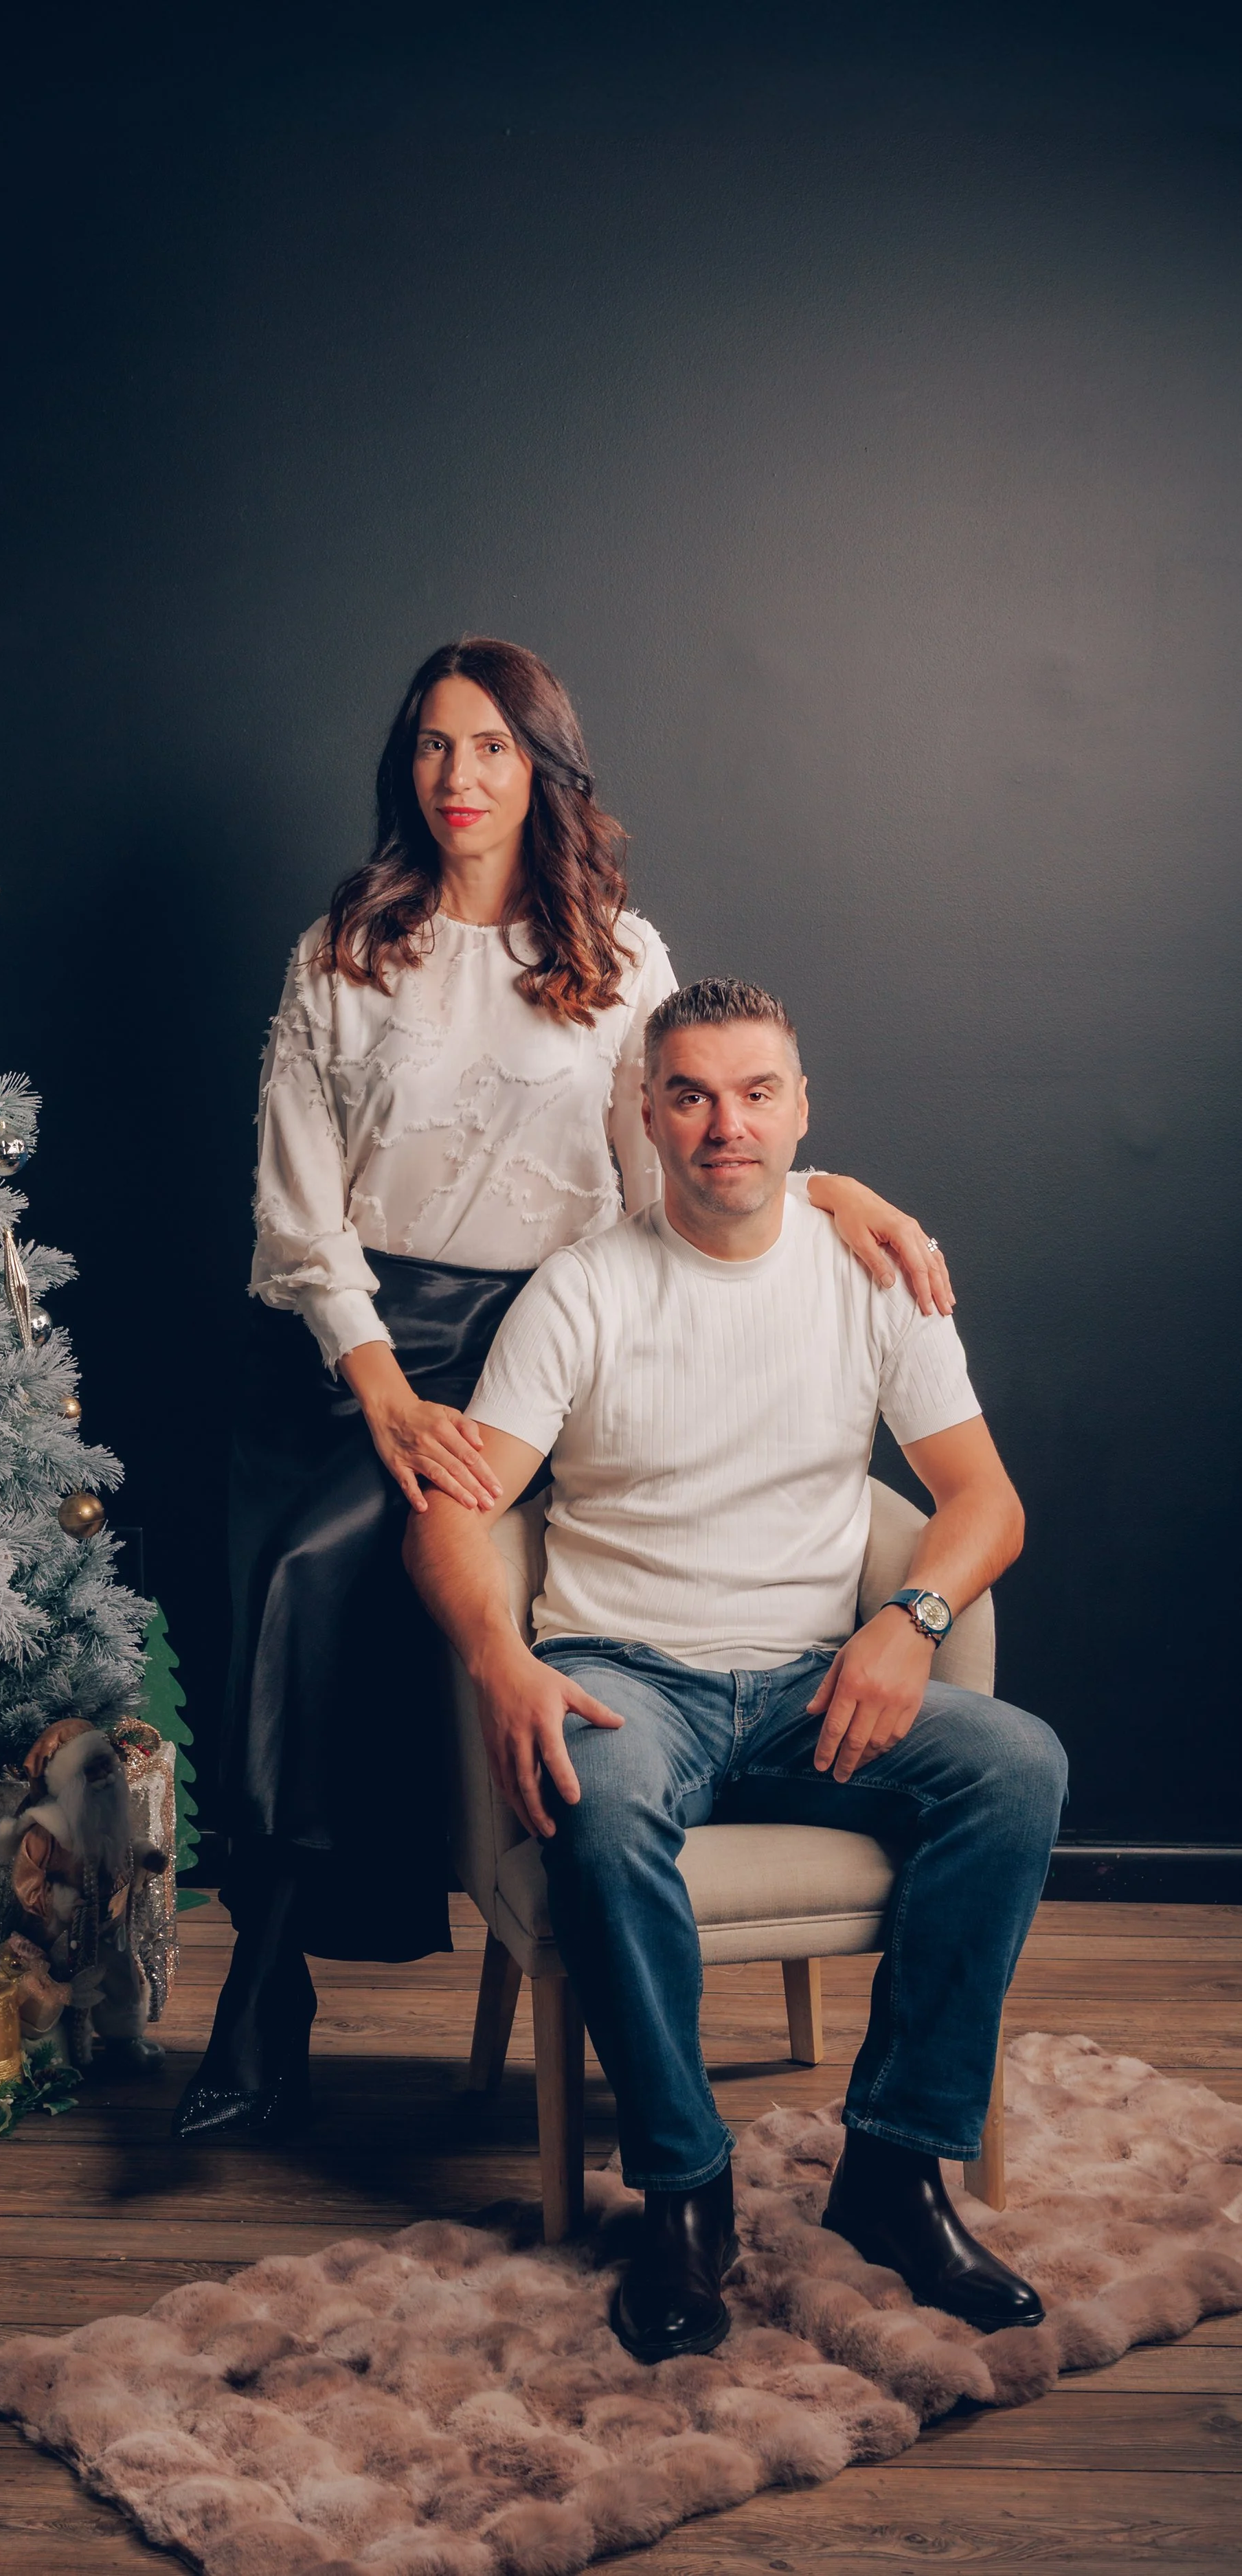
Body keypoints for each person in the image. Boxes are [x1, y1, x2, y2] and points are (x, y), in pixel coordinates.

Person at [175, 641, 956, 2145]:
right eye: (429, 748)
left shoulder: (613, 953)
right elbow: (294, 1208)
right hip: (343, 1347)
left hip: (533, 1336)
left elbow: (675, 1157)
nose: (455, 779)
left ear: (542, 766)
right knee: (292, 1587)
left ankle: (569, 1964)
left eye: (488, 748)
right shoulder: (346, 943)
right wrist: (384, 1389)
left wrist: (833, 1184)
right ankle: (265, 1987)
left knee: (438, 1586)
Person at [405, 975, 1068, 2358]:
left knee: (1015, 1769)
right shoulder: (581, 1292)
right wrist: (497, 1660)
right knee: (597, 1799)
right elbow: (459, 1509)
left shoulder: (871, 1276)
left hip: (812, 1685)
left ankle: (891, 2170)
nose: (726, 1126)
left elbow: (983, 1504)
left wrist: (911, 1626)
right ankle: (684, 2194)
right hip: (622, 1675)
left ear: (799, 1110)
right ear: (645, 1114)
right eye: (692, 1095)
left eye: (756, 1093)